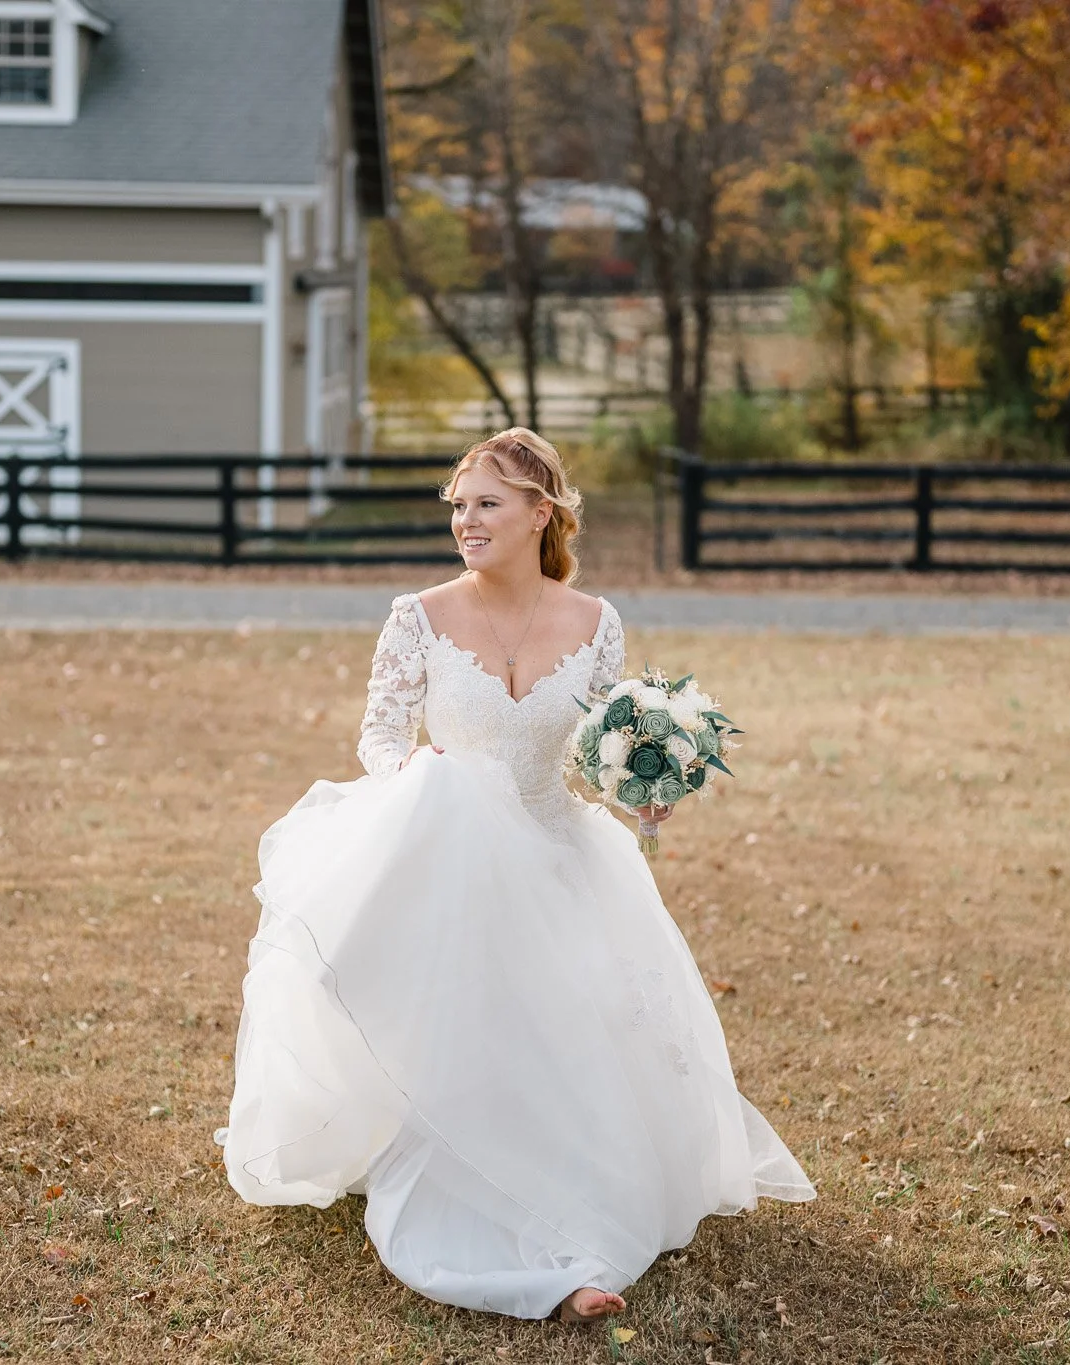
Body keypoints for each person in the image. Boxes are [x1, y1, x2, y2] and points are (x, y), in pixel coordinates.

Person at [214, 428, 813, 1323]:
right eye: (458, 505)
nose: (466, 520)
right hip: (448, 851)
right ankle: (492, 1225)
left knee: (579, 1037)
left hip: (557, 851)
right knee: (468, 1034)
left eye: (486, 503)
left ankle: (579, 1224)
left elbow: (584, 760)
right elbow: (380, 733)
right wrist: (414, 779)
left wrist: (642, 790)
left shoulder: (596, 623)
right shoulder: (419, 613)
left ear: (543, 513)